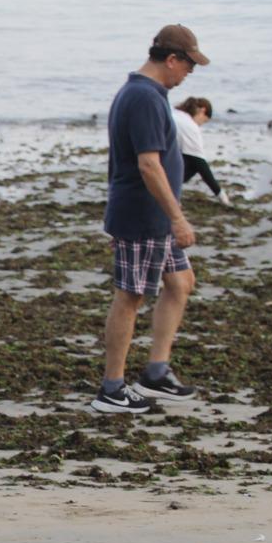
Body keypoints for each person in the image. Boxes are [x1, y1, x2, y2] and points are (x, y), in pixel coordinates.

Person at [91, 24, 209, 415]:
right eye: (188, 66)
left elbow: (119, 161)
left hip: (149, 215)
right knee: (131, 295)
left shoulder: (144, 93)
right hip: (146, 214)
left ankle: (156, 372)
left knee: (180, 283)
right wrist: (177, 218)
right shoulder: (143, 97)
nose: (188, 75)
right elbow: (147, 165)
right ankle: (111, 389)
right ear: (171, 59)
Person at [173, 96, 231, 205]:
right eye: (204, 121)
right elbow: (201, 164)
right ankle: (171, 191)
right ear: (203, 110)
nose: (200, 125)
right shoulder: (189, 126)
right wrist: (220, 194)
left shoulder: (176, 113)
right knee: (194, 163)